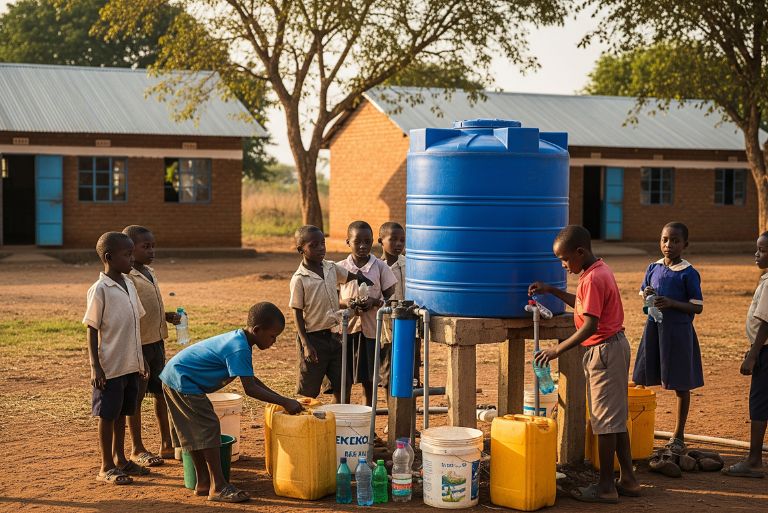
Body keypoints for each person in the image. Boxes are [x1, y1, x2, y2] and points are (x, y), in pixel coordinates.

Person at [529, 225, 640, 503]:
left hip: (604, 350)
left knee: (603, 422)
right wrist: (553, 291)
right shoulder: (598, 270)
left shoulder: (591, 279)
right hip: (613, 348)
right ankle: (628, 479)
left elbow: (590, 324)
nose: (564, 265)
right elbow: (582, 305)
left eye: (565, 260)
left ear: (580, 252)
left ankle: (605, 487)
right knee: (615, 420)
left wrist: (556, 350)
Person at [159, 302, 303, 503]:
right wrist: (285, 402)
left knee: (195, 431)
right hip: (183, 380)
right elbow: (250, 389)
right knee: (207, 427)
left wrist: (284, 400)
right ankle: (218, 486)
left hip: (175, 377)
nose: (274, 341)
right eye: (272, 336)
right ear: (257, 330)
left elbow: (251, 380)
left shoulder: (241, 341)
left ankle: (203, 483)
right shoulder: (238, 348)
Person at [632, 222, 703, 453]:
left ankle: (678, 434)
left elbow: (697, 307)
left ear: (685, 244)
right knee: (642, 377)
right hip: (654, 330)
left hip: (678, 333)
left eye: (674, 241)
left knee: (681, 383)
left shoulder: (689, 273)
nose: (668, 245)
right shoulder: (653, 267)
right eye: (664, 240)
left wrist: (672, 303)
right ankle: (634, 427)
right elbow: (645, 292)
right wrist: (650, 296)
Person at [83, 231, 148, 485]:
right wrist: (95, 367)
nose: (132, 259)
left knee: (122, 412)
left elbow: (135, 325)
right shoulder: (100, 289)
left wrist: (140, 360)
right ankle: (106, 465)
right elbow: (91, 328)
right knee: (108, 416)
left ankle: (121, 459)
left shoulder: (129, 284)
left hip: (130, 364)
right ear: (109, 257)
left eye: (132, 253)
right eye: (127, 254)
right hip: (109, 367)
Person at [121, 225, 181, 467]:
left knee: (161, 393)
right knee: (135, 397)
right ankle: (137, 448)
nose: (151, 250)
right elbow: (129, 315)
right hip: (140, 346)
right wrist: (137, 353)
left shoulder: (148, 272)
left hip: (157, 343)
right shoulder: (126, 278)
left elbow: (146, 308)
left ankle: (166, 443)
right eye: (146, 246)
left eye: (153, 246)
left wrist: (165, 315)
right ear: (129, 249)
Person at [290, 225, 370, 403]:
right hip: (313, 338)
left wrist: (362, 279)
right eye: (314, 245)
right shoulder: (299, 279)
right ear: (300, 249)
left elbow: (349, 276)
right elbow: (296, 312)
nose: (321, 248)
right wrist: (306, 344)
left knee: (343, 384)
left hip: (336, 337)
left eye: (323, 243)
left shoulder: (330, 268)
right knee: (309, 390)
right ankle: (304, 425)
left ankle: (337, 423)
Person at [722, 232, 768, 478]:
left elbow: (765, 323)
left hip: (765, 352)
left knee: (759, 404)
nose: (757, 254)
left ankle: (754, 461)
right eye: (757, 249)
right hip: (763, 348)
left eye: (763, 250)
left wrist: (753, 353)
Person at [338, 220, 397, 406]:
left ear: (373, 241)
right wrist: (346, 303)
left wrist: (374, 302)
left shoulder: (380, 267)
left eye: (367, 241)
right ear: (348, 242)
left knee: (369, 380)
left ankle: (367, 426)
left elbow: (390, 300)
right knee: (343, 380)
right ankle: (343, 423)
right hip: (346, 332)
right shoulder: (339, 268)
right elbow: (333, 298)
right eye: (357, 242)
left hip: (372, 332)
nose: (363, 246)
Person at [377, 221, 419, 388]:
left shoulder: (410, 264)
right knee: (389, 375)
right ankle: (393, 411)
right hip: (386, 331)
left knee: (412, 375)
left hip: (410, 327)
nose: (398, 244)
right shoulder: (376, 267)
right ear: (381, 241)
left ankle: (409, 412)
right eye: (393, 239)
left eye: (402, 240)